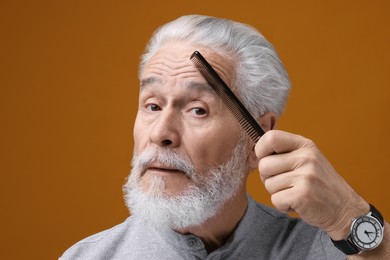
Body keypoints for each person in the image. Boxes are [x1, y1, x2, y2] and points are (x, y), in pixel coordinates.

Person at [60, 15, 389, 259]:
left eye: (198, 110)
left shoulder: (334, 250)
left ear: (257, 139)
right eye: (152, 105)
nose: (160, 133)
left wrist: (348, 214)